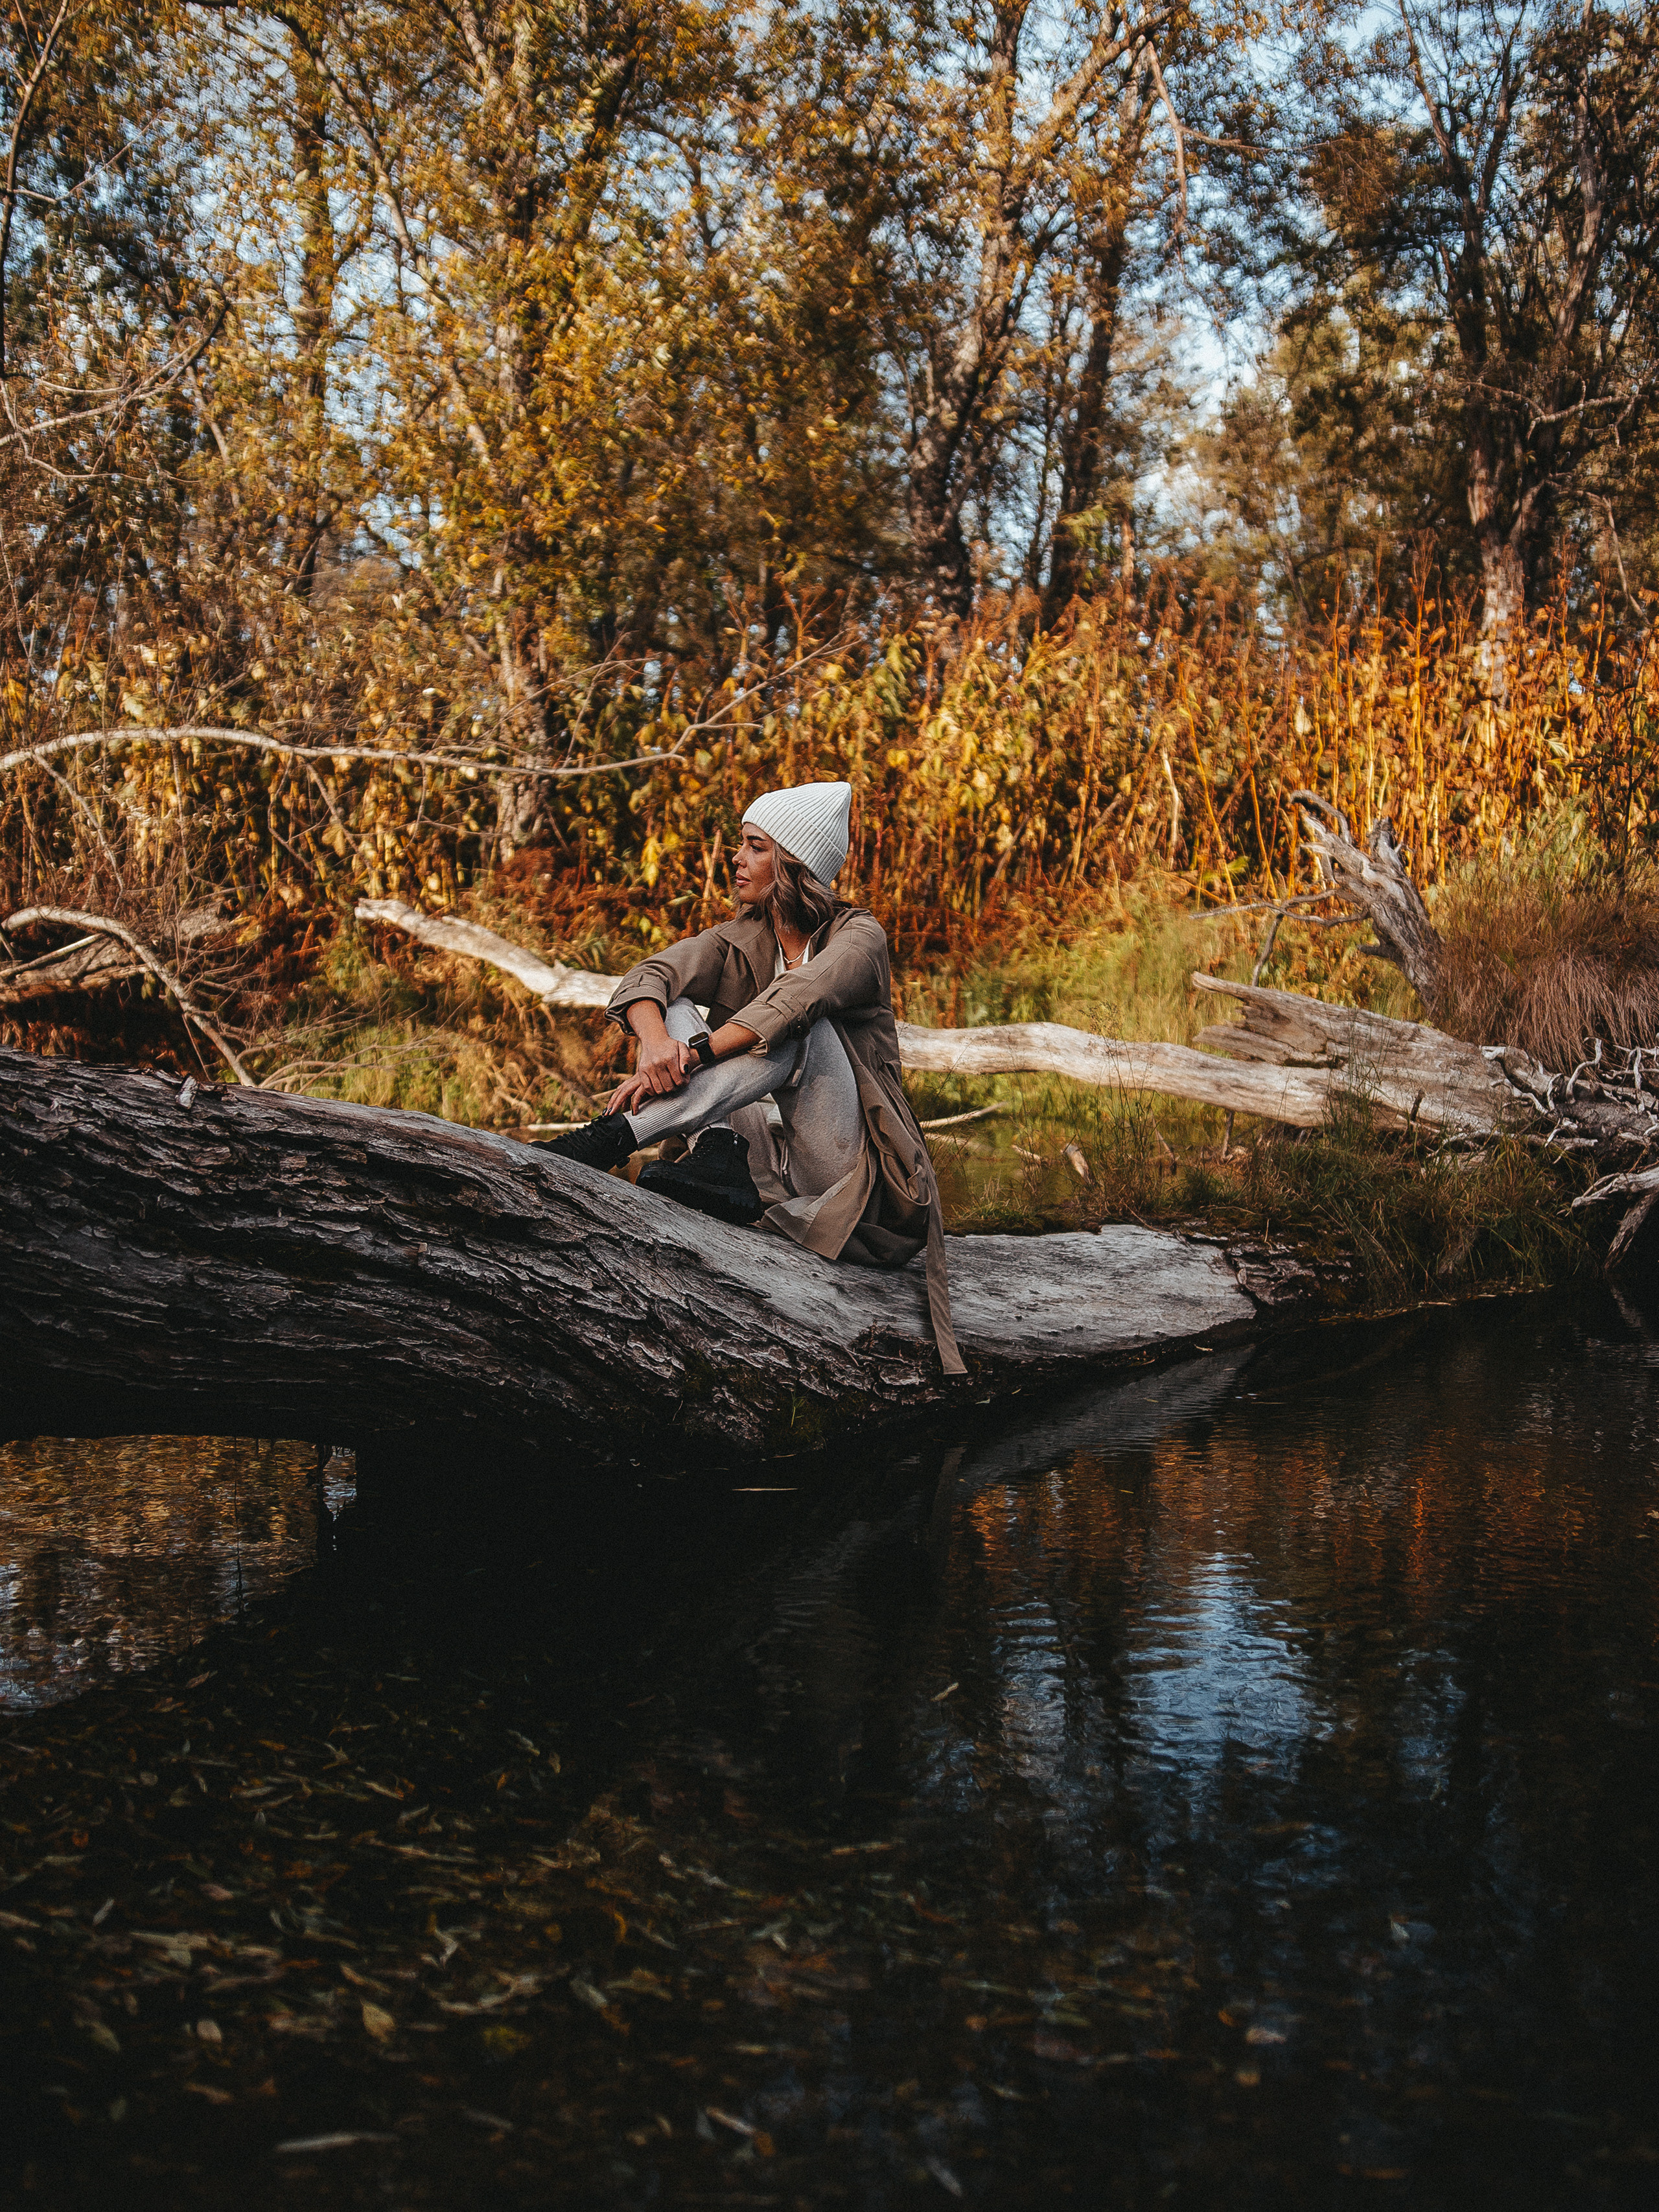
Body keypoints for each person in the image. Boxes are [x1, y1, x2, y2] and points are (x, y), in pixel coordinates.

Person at [548, 778, 964, 1375]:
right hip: (766, 1162)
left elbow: (797, 998)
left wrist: (691, 1055)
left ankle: (609, 1138)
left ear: (793, 861)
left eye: (755, 846)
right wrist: (655, 1043)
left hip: (844, 1172)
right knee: (673, 1005)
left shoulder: (859, 936)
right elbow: (651, 972)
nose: (737, 859)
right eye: (740, 845)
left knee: (800, 1026)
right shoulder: (743, 938)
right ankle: (721, 1152)